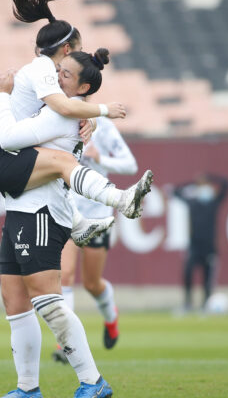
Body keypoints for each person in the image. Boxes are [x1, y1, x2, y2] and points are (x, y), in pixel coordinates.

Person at [0, 0, 153, 248]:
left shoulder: (45, 73)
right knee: (63, 162)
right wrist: (103, 111)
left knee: (56, 161)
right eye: (78, 49)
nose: (80, 55)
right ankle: (121, 200)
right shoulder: (44, 68)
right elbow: (63, 107)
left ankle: (78, 223)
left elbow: (52, 106)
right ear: (67, 49)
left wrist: (89, 119)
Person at [0, 49, 117, 398]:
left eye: (64, 74)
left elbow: (9, 138)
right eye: (58, 70)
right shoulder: (57, 108)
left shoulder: (63, 114)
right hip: (20, 209)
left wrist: (1, 98)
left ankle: (92, 382)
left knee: (48, 301)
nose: (55, 76)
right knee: (15, 304)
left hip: (41, 212)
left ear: (82, 88)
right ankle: (27, 389)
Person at [53, 117, 138, 364]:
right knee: (65, 275)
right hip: (67, 212)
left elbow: (130, 165)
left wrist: (100, 158)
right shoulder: (56, 119)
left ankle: (111, 317)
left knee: (92, 283)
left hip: (97, 215)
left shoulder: (103, 126)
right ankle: (66, 343)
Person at [172, 173, 228, 312]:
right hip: (194, 246)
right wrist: (193, 183)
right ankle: (188, 303)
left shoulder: (213, 203)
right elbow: (175, 191)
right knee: (188, 274)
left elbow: (227, 184)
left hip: (209, 247)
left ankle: (206, 305)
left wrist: (211, 177)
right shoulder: (193, 203)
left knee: (207, 279)